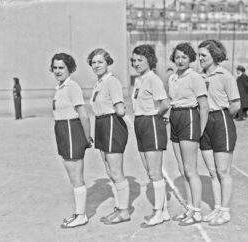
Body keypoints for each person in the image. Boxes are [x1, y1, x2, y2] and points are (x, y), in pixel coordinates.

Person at [198, 40, 240, 226]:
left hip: (221, 121)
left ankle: (225, 211)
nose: (199, 59)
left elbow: (236, 104)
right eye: (198, 55)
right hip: (204, 122)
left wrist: (222, 118)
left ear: (214, 56)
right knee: (213, 171)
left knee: (223, 171)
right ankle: (217, 208)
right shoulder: (198, 77)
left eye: (203, 56)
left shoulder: (225, 76)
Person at [168, 43, 209, 226]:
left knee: (190, 168)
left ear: (190, 58)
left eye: (184, 57)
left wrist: (199, 131)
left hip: (189, 118)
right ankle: (190, 209)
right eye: (177, 57)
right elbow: (172, 102)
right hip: (175, 117)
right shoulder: (172, 78)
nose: (180, 60)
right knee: (181, 168)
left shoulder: (195, 77)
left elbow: (204, 106)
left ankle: (197, 212)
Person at [87, 48, 130, 224]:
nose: (96, 65)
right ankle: (119, 208)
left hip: (112, 123)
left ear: (107, 63)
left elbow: (120, 109)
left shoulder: (111, 81)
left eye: (100, 62)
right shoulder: (99, 83)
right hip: (102, 124)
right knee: (109, 171)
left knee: (115, 171)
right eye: (93, 62)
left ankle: (124, 211)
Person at [131, 44, 170, 228]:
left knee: (154, 172)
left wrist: (154, 116)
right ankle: (165, 211)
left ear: (149, 60)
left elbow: (165, 104)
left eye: (140, 60)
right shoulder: (139, 80)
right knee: (150, 171)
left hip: (151, 123)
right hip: (140, 123)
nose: (136, 63)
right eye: (134, 60)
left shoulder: (153, 79)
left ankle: (158, 212)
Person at [51, 53, 92, 228]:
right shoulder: (60, 87)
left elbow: (83, 114)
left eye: (62, 67)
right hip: (62, 129)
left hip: (71, 130)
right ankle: (78, 213)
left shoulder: (72, 86)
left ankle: (81, 215)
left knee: (76, 177)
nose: (58, 71)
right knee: (72, 177)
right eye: (55, 67)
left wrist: (87, 137)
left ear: (70, 69)